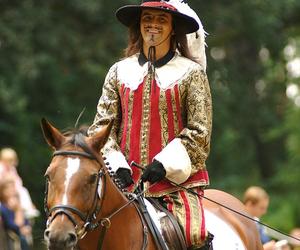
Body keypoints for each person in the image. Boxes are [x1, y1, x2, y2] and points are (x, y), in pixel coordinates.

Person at [88, 0, 212, 249]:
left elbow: (200, 131)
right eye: (147, 19)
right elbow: (102, 127)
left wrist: (164, 164)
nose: (153, 25)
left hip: (176, 184)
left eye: (161, 20)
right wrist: (116, 165)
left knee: (193, 234)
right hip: (122, 182)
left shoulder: (192, 73)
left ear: (173, 28)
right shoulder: (118, 71)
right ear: (139, 25)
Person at [243, 186, 290, 250]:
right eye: (261, 208)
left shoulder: (259, 225)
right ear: (249, 204)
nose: (264, 212)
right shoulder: (240, 224)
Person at [0, 148, 40, 220]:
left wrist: (15, 190)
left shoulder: (12, 169)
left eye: (12, 161)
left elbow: (18, 181)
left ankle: (28, 208)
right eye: (9, 161)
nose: (11, 163)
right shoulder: (1, 168)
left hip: (11, 190)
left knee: (23, 190)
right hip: (3, 191)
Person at [0, 177, 32, 250]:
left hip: (20, 234)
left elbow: (25, 220)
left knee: (24, 239)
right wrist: (20, 229)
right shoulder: (3, 207)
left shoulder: (18, 204)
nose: (12, 190)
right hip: (9, 238)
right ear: (2, 191)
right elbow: (9, 224)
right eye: (9, 188)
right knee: (22, 240)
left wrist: (27, 226)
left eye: (13, 187)